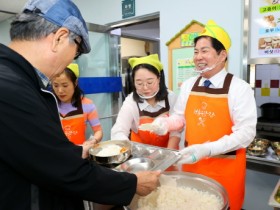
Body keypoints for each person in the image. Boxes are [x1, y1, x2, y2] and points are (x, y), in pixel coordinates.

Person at [0, 0, 160, 209]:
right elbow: (61, 171)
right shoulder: (10, 89)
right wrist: (133, 183)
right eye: (75, 53)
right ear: (60, 38)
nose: (70, 62)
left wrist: (73, 153)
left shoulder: (19, 80)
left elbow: (36, 152)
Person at [151, 20, 257, 210]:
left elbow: (246, 134)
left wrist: (207, 149)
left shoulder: (239, 89)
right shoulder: (189, 85)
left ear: (222, 55)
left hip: (226, 170)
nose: (198, 56)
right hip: (193, 166)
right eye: (196, 51)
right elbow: (179, 119)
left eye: (204, 51)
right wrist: (165, 124)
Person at [111, 54, 180, 149]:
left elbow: (176, 131)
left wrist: (168, 155)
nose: (145, 88)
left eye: (150, 82)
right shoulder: (131, 102)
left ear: (159, 78)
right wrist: (127, 148)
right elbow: (119, 130)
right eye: (139, 83)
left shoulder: (171, 97)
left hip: (168, 152)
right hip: (141, 155)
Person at [52, 63, 103, 145]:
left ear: (75, 83)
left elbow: (98, 131)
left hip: (79, 153)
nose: (60, 90)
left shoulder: (87, 104)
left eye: (65, 85)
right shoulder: (49, 104)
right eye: (56, 85)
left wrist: (93, 141)